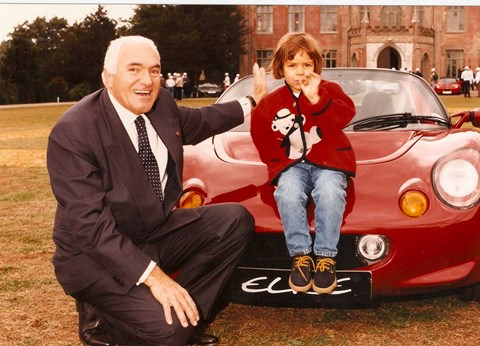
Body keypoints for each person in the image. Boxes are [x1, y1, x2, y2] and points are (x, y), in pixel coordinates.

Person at [47, 35, 267, 346]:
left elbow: (202, 121)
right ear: (107, 78)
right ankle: (107, 320)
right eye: (134, 69)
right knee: (169, 334)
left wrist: (252, 102)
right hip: (95, 256)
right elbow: (91, 230)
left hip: (153, 232)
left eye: (154, 70)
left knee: (234, 220)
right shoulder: (73, 132)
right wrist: (155, 278)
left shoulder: (161, 103)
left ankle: (185, 314)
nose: (147, 81)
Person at [250, 32, 356, 295]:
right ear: (281, 69)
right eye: (292, 65)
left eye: (306, 65)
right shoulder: (273, 100)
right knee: (286, 192)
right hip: (292, 165)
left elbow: (344, 116)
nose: (300, 72)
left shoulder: (329, 90)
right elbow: (261, 135)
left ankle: (325, 258)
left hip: (329, 162)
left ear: (316, 67)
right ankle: (301, 256)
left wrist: (316, 99)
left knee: (330, 192)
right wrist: (275, 162)